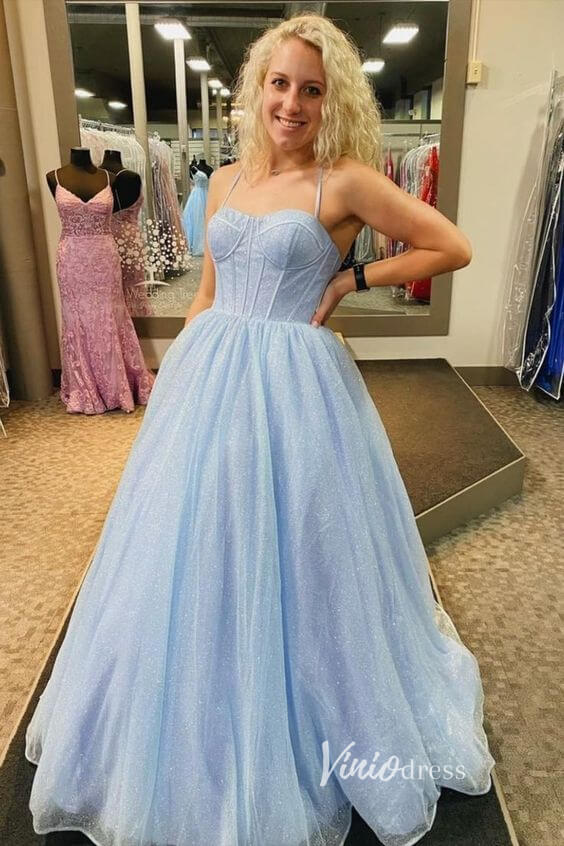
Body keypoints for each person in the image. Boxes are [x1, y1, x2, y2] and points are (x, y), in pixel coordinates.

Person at [25, 12, 495, 846]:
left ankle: (296, 709)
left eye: (311, 90)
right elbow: (209, 292)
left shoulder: (344, 181)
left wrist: (351, 278)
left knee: (301, 550)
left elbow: (449, 245)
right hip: (211, 378)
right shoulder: (231, 180)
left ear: (330, 100)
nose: (292, 103)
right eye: (280, 84)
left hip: (296, 389)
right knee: (197, 547)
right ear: (258, 88)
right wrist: (176, 386)